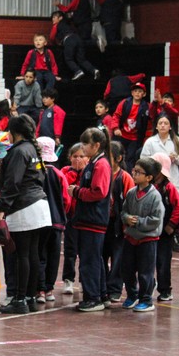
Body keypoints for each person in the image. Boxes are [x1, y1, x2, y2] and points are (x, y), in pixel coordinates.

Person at [0, 115, 52, 314]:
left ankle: (19, 299)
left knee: (22, 255)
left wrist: (1, 207)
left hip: (24, 208)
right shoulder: (32, 149)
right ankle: (29, 298)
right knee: (32, 254)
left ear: (14, 133)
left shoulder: (19, 151)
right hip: (39, 207)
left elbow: (13, 182)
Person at [68, 127, 112, 312]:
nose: (83, 147)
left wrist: (77, 191)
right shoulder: (95, 163)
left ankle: (93, 298)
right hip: (90, 219)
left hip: (93, 220)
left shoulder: (101, 165)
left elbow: (99, 192)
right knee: (94, 259)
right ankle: (101, 294)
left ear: (96, 145)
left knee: (89, 261)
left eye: (86, 144)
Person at [121, 158, 165, 312]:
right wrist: (126, 218)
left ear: (149, 177)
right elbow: (124, 211)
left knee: (145, 272)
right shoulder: (131, 193)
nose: (134, 174)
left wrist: (138, 221)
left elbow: (156, 219)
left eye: (138, 172)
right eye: (134, 170)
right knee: (127, 269)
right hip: (131, 237)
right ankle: (132, 295)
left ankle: (146, 299)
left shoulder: (155, 196)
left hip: (147, 239)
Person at [35, 136, 69, 304]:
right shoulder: (59, 174)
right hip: (57, 221)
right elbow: (66, 199)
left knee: (39, 254)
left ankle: (39, 289)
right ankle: (49, 289)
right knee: (54, 256)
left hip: (39, 220)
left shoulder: (35, 172)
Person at [151, 152, 179, 302]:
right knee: (147, 260)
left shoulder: (168, 188)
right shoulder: (148, 185)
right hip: (150, 231)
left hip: (164, 233)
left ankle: (165, 290)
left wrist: (171, 225)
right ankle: (149, 284)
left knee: (163, 261)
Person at [103, 141, 134, 303]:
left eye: (108, 156)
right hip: (103, 222)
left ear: (119, 158)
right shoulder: (102, 173)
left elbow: (130, 202)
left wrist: (126, 222)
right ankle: (103, 286)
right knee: (102, 255)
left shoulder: (125, 177)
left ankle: (115, 288)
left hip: (118, 223)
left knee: (118, 257)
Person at [140, 114, 179, 196]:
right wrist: (156, 160)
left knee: (174, 200)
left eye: (166, 123)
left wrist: (176, 158)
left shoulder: (177, 140)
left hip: (173, 177)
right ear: (156, 126)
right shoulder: (150, 141)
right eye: (160, 123)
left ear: (170, 127)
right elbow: (143, 159)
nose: (163, 125)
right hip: (155, 178)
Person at [110, 82, 150, 171]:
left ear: (144, 94)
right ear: (132, 93)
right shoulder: (125, 103)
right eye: (135, 91)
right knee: (116, 155)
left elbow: (153, 117)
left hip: (135, 138)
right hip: (122, 134)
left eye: (140, 91)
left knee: (130, 158)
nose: (137, 93)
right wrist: (116, 128)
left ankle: (128, 176)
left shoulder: (146, 106)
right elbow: (116, 115)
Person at [50, 10, 99, 81]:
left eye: (54, 17)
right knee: (82, 59)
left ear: (60, 18)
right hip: (78, 38)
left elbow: (52, 37)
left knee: (69, 59)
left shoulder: (56, 25)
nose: (53, 19)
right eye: (52, 17)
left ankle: (78, 71)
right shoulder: (68, 25)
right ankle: (94, 70)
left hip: (69, 40)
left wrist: (55, 44)